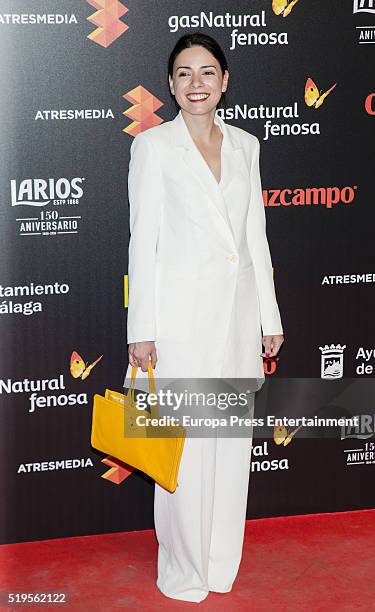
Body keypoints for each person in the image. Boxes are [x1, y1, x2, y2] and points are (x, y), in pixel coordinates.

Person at [123, 33, 284, 603]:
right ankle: (184, 569)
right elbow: (143, 245)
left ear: (225, 82)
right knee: (183, 454)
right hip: (179, 326)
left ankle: (219, 563)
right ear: (170, 84)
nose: (197, 83)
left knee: (231, 447)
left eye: (208, 72)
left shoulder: (246, 145)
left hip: (236, 322)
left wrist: (269, 315)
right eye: (185, 73)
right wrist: (140, 329)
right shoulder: (154, 148)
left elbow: (254, 238)